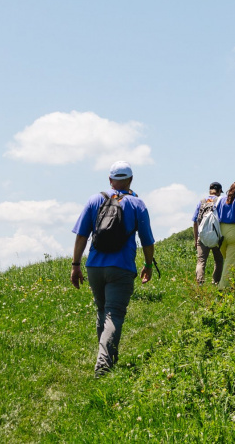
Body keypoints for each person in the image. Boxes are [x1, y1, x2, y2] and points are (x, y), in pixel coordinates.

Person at [70, 161, 155, 376]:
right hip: (122, 267)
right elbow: (147, 241)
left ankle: (108, 358)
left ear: (110, 180)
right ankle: (104, 364)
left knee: (102, 312)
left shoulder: (94, 199)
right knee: (113, 314)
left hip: (95, 266)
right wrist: (147, 265)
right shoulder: (137, 204)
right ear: (131, 180)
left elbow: (81, 235)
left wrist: (75, 265)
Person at [192, 181, 224, 286]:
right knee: (218, 260)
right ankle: (216, 281)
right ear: (219, 191)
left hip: (202, 236)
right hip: (216, 235)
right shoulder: (220, 201)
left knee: (201, 260)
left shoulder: (201, 201)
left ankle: (200, 282)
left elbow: (195, 221)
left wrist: (196, 239)